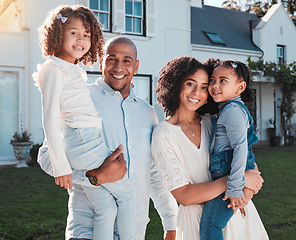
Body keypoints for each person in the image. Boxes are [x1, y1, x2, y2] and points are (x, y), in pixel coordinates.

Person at [38, 36, 178, 240]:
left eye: (126, 60)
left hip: (135, 229)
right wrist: (95, 177)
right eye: (111, 58)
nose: (119, 67)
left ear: (136, 66)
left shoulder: (147, 113)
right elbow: (46, 156)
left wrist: (170, 223)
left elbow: (154, 174)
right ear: (100, 61)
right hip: (87, 228)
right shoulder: (80, 99)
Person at [34, 5, 136, 240]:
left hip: (84, 139)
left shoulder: (70, 69)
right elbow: (49, 117)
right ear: (58, 33)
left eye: (87, 35)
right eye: (74, 32)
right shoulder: (54, 69)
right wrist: (60, 168)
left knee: (106, 207)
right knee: (127, 196)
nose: (81, 39)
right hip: (83, 140)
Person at [151, 56, 269, 240]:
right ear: (175, 85)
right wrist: (236, 181)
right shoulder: (163, 134)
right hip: (197, 224)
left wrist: (248, 189)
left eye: (205, 86)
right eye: (190, 83)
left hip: (236, 212)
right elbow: (184, 196)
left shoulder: (212, 122)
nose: (197, 92)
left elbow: (251, 169)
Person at [199, 59, 261, 240]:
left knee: (211, 225)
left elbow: (240, 149)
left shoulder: (232, 110)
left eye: (223, 80)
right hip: (229, 174)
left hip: (231, 177)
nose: (214, 86)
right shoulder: (227, 108)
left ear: (240, 87)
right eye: (212, 80)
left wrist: (234, 188)